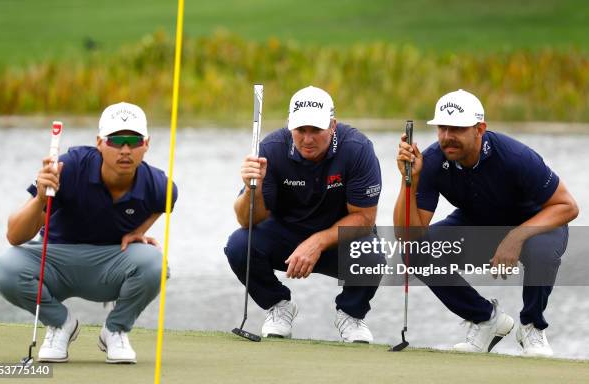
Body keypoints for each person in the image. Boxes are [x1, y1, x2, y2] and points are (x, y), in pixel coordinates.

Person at [394, 89, 578, 356]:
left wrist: (516, 237)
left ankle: (531, 326)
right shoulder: (432, 161)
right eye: (442, 128)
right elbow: (408, 235)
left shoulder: (515, 157)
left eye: (457, 128)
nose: (447, 137)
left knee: (540, 251)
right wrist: (408, 179)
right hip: (480, 222)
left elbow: (567, 206)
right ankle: (486, 320)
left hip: (537, 222)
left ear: (480, 129)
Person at [0, 102, 178, 364]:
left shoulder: (158, 184)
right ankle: (60, 324)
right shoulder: (68, 168)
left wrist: (139, 231)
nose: (125, 150)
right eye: (116, 141)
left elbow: (164, 203)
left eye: (133, 141)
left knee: (154, 261)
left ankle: (115, 330)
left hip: (108, 266)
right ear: (99, 142)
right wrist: (40, 200)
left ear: (146, 144)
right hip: (54, 261)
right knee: (5, 269)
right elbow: (14, 236)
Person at [225, 85, 383, 343]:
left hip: (338, 240)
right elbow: (246, 220)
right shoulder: (271, 149)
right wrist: (255, 188)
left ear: (333, 125)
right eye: (301, 130)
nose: (307, 139)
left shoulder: (357, 149)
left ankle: (350, 314)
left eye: (316, 130)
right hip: (285, 237)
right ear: (290, 125)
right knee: (239, 244)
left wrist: (316, 242)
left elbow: (365, 219)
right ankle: (278, 306)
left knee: (371, 251)